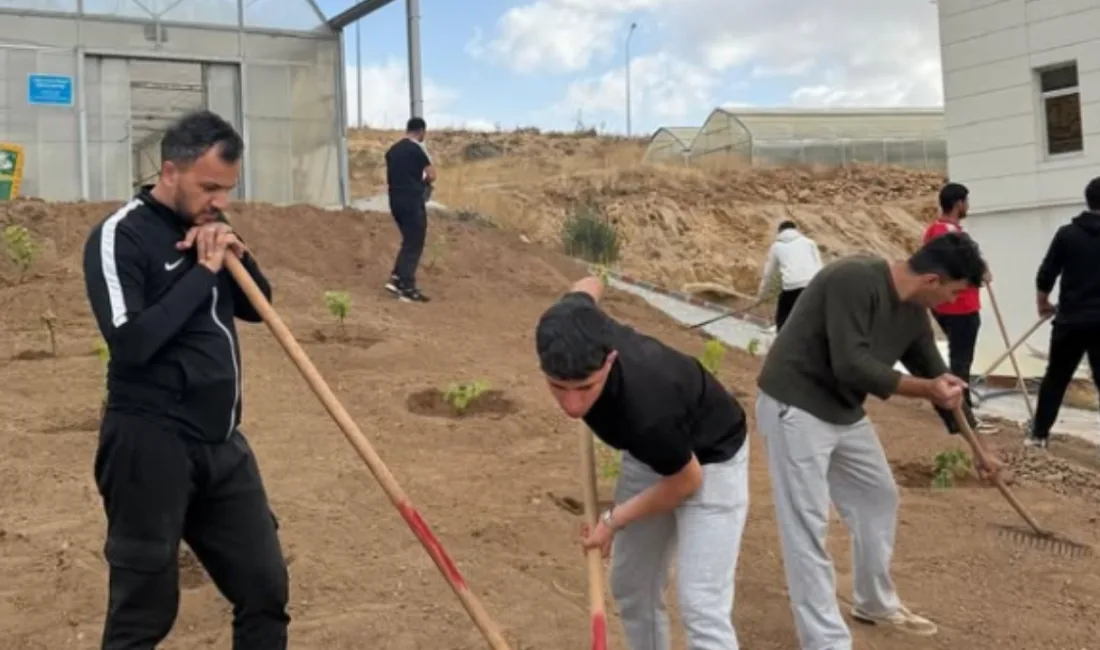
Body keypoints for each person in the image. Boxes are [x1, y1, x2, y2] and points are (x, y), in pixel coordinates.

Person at [82, 110, 290, 649]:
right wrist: (202, 273)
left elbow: (259, 308)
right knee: (144, 615)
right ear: (169, 171)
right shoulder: (119, 236)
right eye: (209, 187)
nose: (219, 200)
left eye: (227, 189)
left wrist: (236, 255)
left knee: (265, 590)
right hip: (149, 446)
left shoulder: (212, 232)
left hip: (222, 444)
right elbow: (131, 346)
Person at [753, 232, 1002, 650]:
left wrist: (977, 445)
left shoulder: (913, 313)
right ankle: (825, 641)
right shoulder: (854, 279)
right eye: (954, 293)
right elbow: (850, 364)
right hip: (794, 405)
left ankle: (873, 601)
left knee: (877, 496)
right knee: (807, 525)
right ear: (932, 280)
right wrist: (926, 389)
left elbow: (936, 373)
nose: (951, 304)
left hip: (841, 410)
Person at [534, 276, 751, 650]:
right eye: (558, 387)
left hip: (711, 459)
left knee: (701, 604)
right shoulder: (573, 316)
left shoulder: (647, 407)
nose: (572, 407)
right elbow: (589, 283)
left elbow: (686, 481)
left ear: (611, 360)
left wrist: (612, 521)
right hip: (650, 455)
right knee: (633, 584)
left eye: (585, 388)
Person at [1027, 176, 1100, 449]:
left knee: (1056, 378)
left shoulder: (1067, 234)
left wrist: (1043, 305)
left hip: (1071, 320)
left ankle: (1038, 436)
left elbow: (1046, 273)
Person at [923, 181, 997, 434]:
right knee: (961, 362)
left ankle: (960, 411)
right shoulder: (953, 233)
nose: (968, 205)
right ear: (958, 204)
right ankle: (962, 417)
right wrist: (981, 274)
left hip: (944, 306)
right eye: (966, 201)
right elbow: (961, 266)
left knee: (957, 359)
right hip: (961, 306)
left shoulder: (933, 230)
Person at [384, 116, 437, 303]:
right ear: (421, 131)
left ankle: (397, 278)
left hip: (394, 201)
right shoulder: (417, 149)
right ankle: (407, 286)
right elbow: (432, 174)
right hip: (412, 201)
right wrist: (424, 183)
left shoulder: (392, 150)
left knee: (408, 240)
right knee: (415, 242)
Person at [757, 219, 823, 331]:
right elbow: (819, 265)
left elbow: (768, 272)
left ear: (780, 232)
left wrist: (761, 294)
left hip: (791, 287)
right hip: (812, 285)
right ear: (796, 230)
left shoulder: (776, 247)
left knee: (782, 317)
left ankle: (781, 336)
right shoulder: (809, 242)